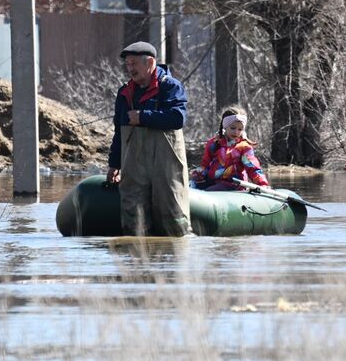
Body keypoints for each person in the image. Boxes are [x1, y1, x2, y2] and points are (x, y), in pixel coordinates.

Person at [106, 41, 191, 236]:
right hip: (134, 165)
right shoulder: (124, 93)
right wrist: (114, 164)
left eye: (134, 63)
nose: (130, 69)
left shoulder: (171, 87)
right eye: (128, 64)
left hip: (166, 166)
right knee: (132, 216)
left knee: (172, 214)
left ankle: (171, 261)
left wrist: (143, 117)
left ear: (150, 62)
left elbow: (178, 118)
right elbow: (119, 131)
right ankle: (134, 259)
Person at [192, 106, 270, 191]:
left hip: (233, 185)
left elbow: (252, 167)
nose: (236, 132)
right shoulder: (213, 144)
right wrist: (199, 174)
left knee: (210, 190)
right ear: (225, 126)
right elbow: (205, 164)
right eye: (233, 128)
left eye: (240, 129)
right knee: (191, 185)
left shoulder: (244, 147)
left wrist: (262, 184)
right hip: (212, 181)